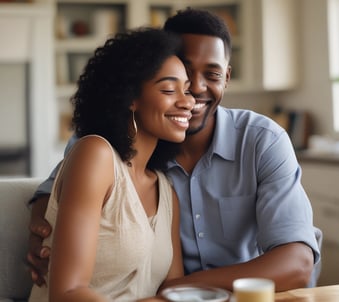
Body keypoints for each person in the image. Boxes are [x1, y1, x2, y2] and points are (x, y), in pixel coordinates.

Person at [28, 8, 322, 293]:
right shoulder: (103, 143)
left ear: (227, 78)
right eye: (176, 81)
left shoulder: (259, 141)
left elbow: (298, 263)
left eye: (212, 74)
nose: (193, 91)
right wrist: (44, 236)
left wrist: (179, 289)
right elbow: (57, 192)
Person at [28, 27, 195, 301]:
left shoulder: (166, 191)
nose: (187, 101)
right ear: (130, 97)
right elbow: (67, 292)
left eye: (187, 90)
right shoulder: (96, 156)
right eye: (168, 88)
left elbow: (172, 289)